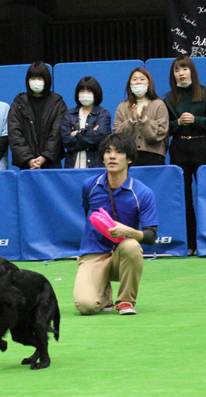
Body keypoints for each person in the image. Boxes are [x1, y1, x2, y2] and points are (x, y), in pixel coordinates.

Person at [73, 134, 158, 316]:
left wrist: (129, 232)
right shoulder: (90, 186)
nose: (112, 156)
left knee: (132, 246)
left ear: (129, 159)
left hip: (122, 254)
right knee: (85, 306)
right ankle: (103, 294)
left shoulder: (142, 193)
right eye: (108, 152)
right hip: (94, 253)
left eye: (119, 153)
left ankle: (125, 301)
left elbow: (151, 236)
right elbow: (88, 212)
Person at [164, 56, 206, 255]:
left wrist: (195, 120)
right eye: (177, 70)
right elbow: (164, 128)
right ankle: (189, 243)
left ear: (192, 71)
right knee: (184, 198)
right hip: (179, 148)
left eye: (184, 69)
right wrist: (177, 124)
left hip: (202, 146)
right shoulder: (169, 98)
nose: (181, 73)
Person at [8, 61, 67, 169]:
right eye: (32, 78)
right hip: (27, 166)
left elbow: (57, 133)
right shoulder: (18, 103)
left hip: (51, 164)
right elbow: (15, 133)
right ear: (27, 80)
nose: (36, 82)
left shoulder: (58, 103)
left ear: (47, 80)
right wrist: (29, 159)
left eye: (40, 78)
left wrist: (44, 157)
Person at [113, 67, 169, 166]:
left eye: (142, 79)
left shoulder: (159, 104)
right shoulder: (122, 107)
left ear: (149, 83)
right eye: (134, 79)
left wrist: (144, 120)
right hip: (128, 157)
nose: (138, 82)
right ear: (129, 84)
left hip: (154, 157)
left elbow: (159, 134)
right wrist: (131, 121)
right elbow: (118, 135)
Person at [61, 76, 111, 168]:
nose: (85, 94)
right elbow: (66, 141)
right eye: (82, 91)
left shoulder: (103, 114)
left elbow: (101, 138)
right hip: (72, 167)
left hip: (95, 166)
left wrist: (77, 133)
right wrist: (90, 133)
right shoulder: (69, 114)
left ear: (96, 93)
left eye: (89, 91)